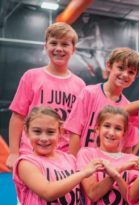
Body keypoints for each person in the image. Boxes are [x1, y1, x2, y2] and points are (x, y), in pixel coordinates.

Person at [6, 22, 85, 170]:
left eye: (65, 44)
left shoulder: (79, 85)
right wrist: (13, 152)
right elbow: (18, 117)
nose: (59, 48)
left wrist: (73, 157)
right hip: (31, 152)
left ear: (73, 49)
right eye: (53, 43)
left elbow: (77, 128)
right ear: (45, 46)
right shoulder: (31, 76)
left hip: (63, 157)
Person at [65, 47, 139, 156]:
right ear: (109, 66)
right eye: (120, 68)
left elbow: (127, 147)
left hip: (111, 165)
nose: (125, 74)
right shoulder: (89, 93)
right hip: (84, 164)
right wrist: (75, 162)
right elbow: (74, 132)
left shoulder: (130, 108)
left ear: (135, 77)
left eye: (131, 72)